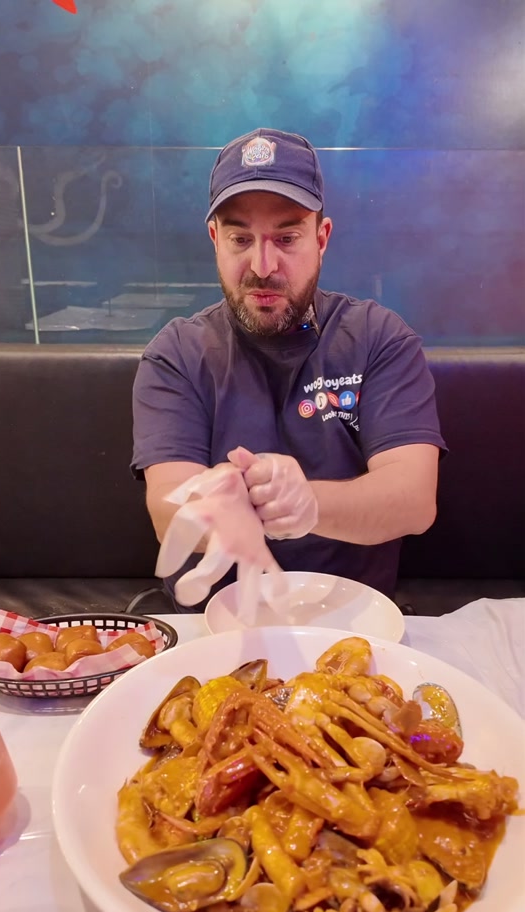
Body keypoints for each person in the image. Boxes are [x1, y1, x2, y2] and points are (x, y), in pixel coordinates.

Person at [131, 127, 447, 611]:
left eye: (286, 237)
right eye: (241, 238)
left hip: (352, 620)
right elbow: (166, 507)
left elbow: (414, 500)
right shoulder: (177, 353)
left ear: (321, 238)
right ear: (215, 240)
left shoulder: (378, 338)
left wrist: (307, 503)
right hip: (216, 622)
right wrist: (216, 506)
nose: (263, 265)